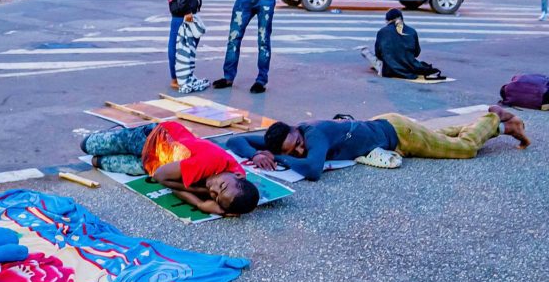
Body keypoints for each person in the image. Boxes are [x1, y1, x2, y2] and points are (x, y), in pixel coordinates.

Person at [227, 106, 530, 182]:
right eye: (291, 151)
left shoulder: (315, 133)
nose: (300, 149)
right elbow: (234, 139)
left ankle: (495, 120)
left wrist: (277, 159)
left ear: (297, 129)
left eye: (297, 143)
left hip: (399, 133)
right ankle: (498, 125)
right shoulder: (285, 140)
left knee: (463, 150)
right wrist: (261, 153)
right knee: (446, 138)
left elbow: (313, 169)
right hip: (388, 129)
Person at [82, 121, 260, 216]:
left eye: (215, 196)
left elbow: (174, 187)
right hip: (153, 139)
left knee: (97, 162)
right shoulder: (209, 163)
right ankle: (117, 132)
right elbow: (162, 178)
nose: (212, 189)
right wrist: (199, 198)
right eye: (221, 186)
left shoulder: (233, 184)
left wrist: (206, 203)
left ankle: (115, 138)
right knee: (87, 145)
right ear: (238, 175)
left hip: (156, 163)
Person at [371, 9, 444, 80]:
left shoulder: (382, 32)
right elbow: (416, 53)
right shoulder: (412, 31)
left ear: (388, 20)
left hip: (389, 70)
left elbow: (378, 55)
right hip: (410, 68)